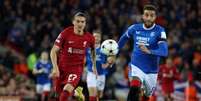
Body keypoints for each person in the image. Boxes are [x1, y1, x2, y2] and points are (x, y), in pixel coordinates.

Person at [118, 4, 168, 101]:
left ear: (155, 17)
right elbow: (123, 38)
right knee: (134, 88)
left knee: (147, 95)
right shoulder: (134, 28)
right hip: (136, 65)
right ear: (142, 16)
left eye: (152, 15)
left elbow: (164, 51)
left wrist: (149, 51)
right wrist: (113, 53)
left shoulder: (160, 31)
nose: (149, 18)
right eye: (146, 15)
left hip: (152, 70)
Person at [50, 12, 96, 101]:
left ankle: (74, 91)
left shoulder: (89, 38)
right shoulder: (65, 33)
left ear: (85, 23)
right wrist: (55, 67)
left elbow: (93, 51)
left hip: (76, 69)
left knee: (65, 94)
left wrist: (94, 65)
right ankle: (77, 93)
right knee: (57, 96)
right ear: (73, 22)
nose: (80, 24)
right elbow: (53, 51)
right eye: (78, 21)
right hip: (62, 68)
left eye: (82, 22)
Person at [86, 31, 115, 101]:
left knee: (99, 95)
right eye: (94, 36)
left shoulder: (105, 49)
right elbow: (83, 58)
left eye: (98, 37)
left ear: (100, 38)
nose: (96, 38)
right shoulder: (87, 48)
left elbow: (112, 59)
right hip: (91, 74)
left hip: (101, 74)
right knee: (93, 94)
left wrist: (108, 64)